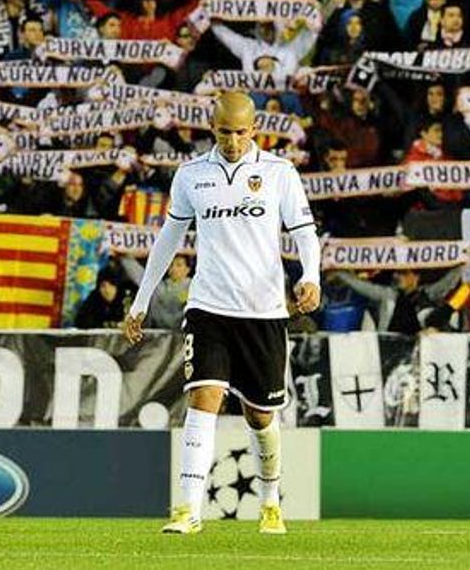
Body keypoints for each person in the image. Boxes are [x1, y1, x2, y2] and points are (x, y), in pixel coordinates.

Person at [124, 91, 322, 536]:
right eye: (223, 132)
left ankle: (271, 500)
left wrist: (311, 277)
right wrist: (140, 301)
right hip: (209, 307)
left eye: (240, 132)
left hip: (264, 312)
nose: (232, 141)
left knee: (260, 416)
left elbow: (306, 234)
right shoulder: (192, 175)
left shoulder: (279, 173)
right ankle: (187, 509)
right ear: (211, 129)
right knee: (203, 399)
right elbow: (167, 242)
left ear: (254, 130)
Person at [329, 265, 461, 334]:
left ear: (416, 277)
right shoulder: (388, 294)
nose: (398, 276)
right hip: (390, 350)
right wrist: (340, 274)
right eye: (397, 273)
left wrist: (461, 263)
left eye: (403, 273)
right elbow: (362, 286)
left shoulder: (426, 294)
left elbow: (447, 283)